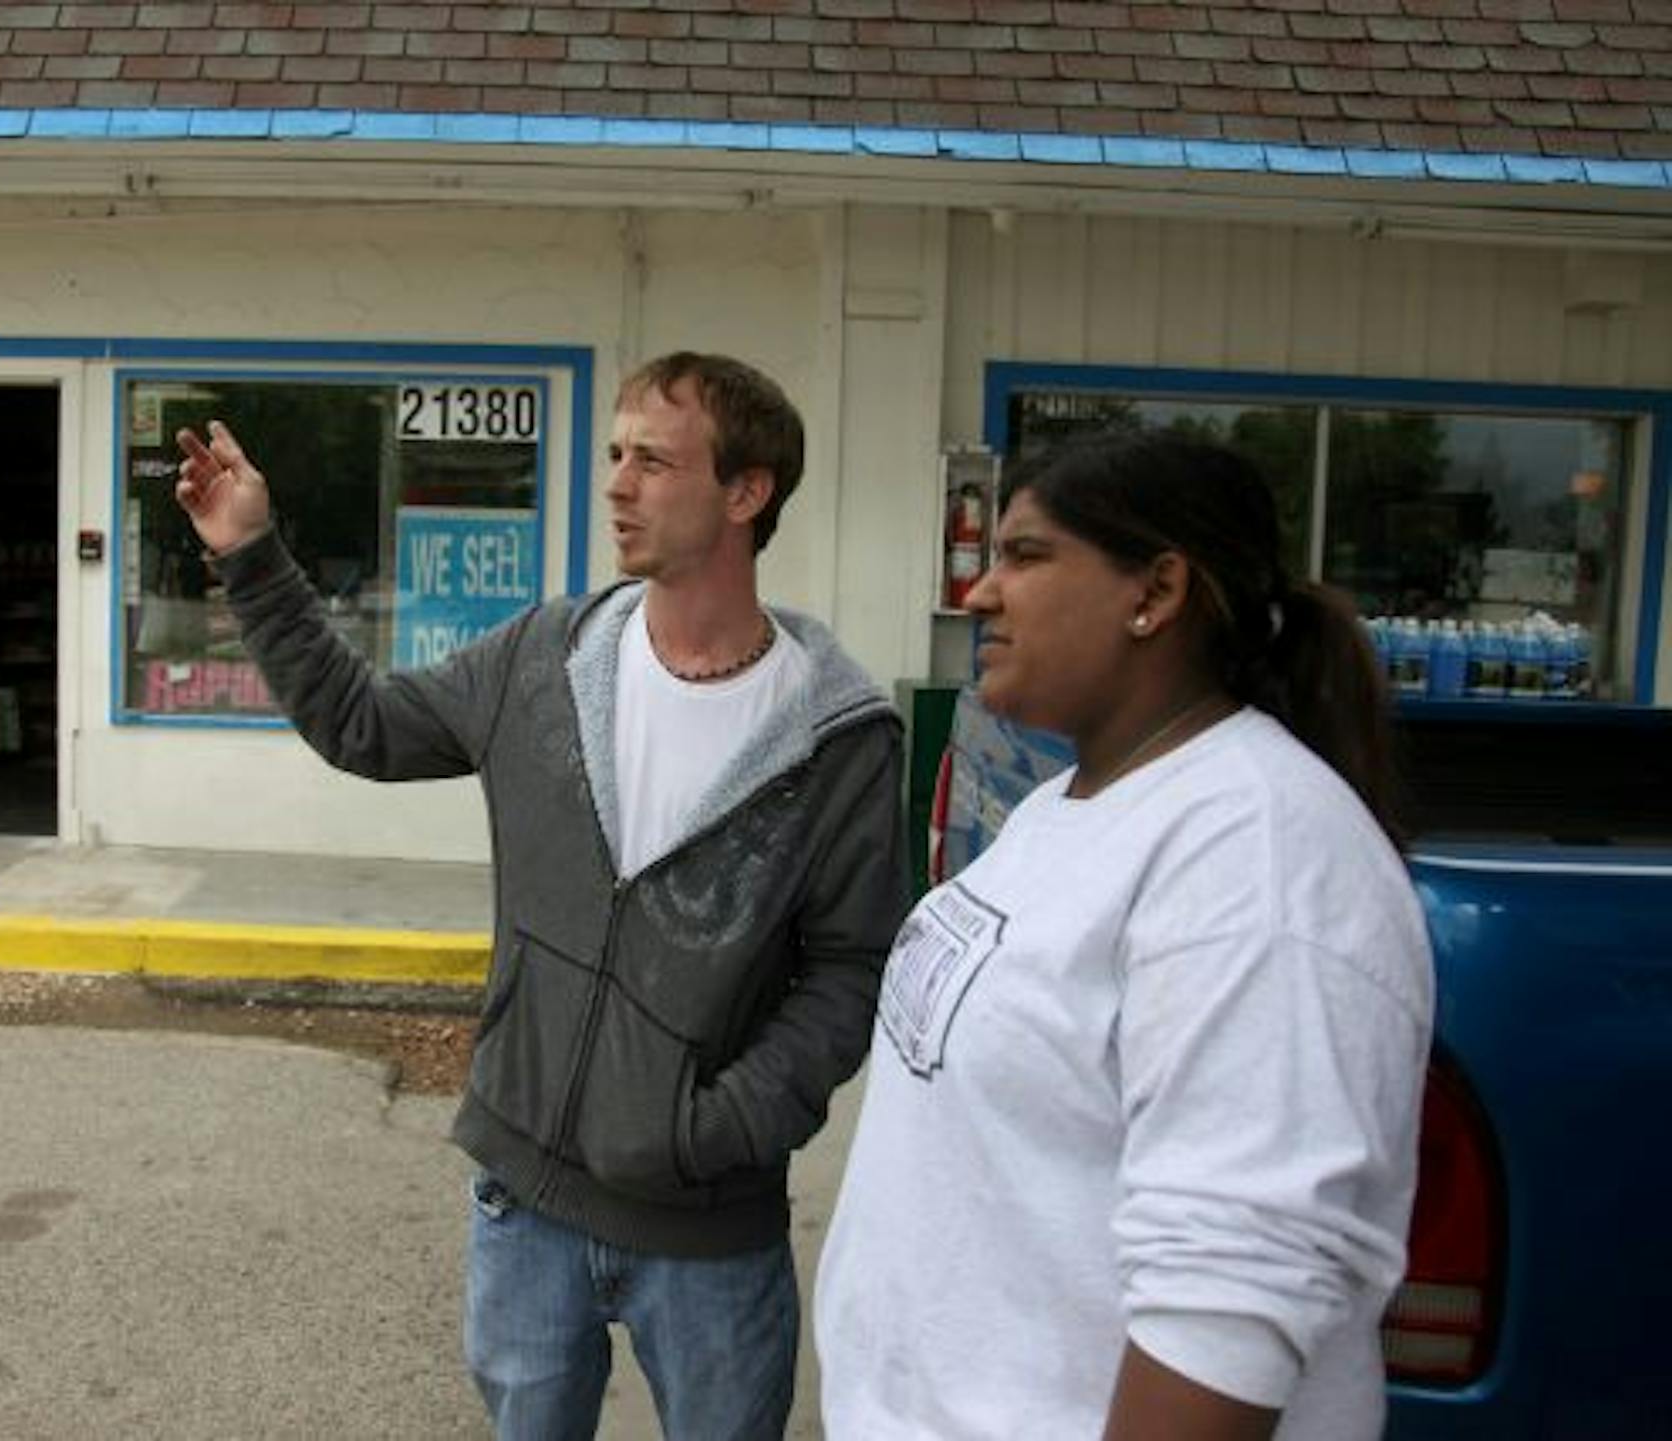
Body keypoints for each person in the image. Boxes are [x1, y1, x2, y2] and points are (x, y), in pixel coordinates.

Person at [175, 352, 907, 1440]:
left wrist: (723, 1126)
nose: (617, 482)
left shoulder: (838, 739)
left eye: (653, 460)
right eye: (615, 452)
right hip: (523, 1210)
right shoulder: (544, 657)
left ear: (747, 493)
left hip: (709, 1230)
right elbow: (361, 724)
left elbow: (850, 970)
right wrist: (251, 553)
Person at [814, 429, 1433, 1440]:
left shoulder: (1260, 855)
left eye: (1027, 555)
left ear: (1157, 591)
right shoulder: (1075, 800)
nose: (979, 592)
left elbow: (1226, 1308)